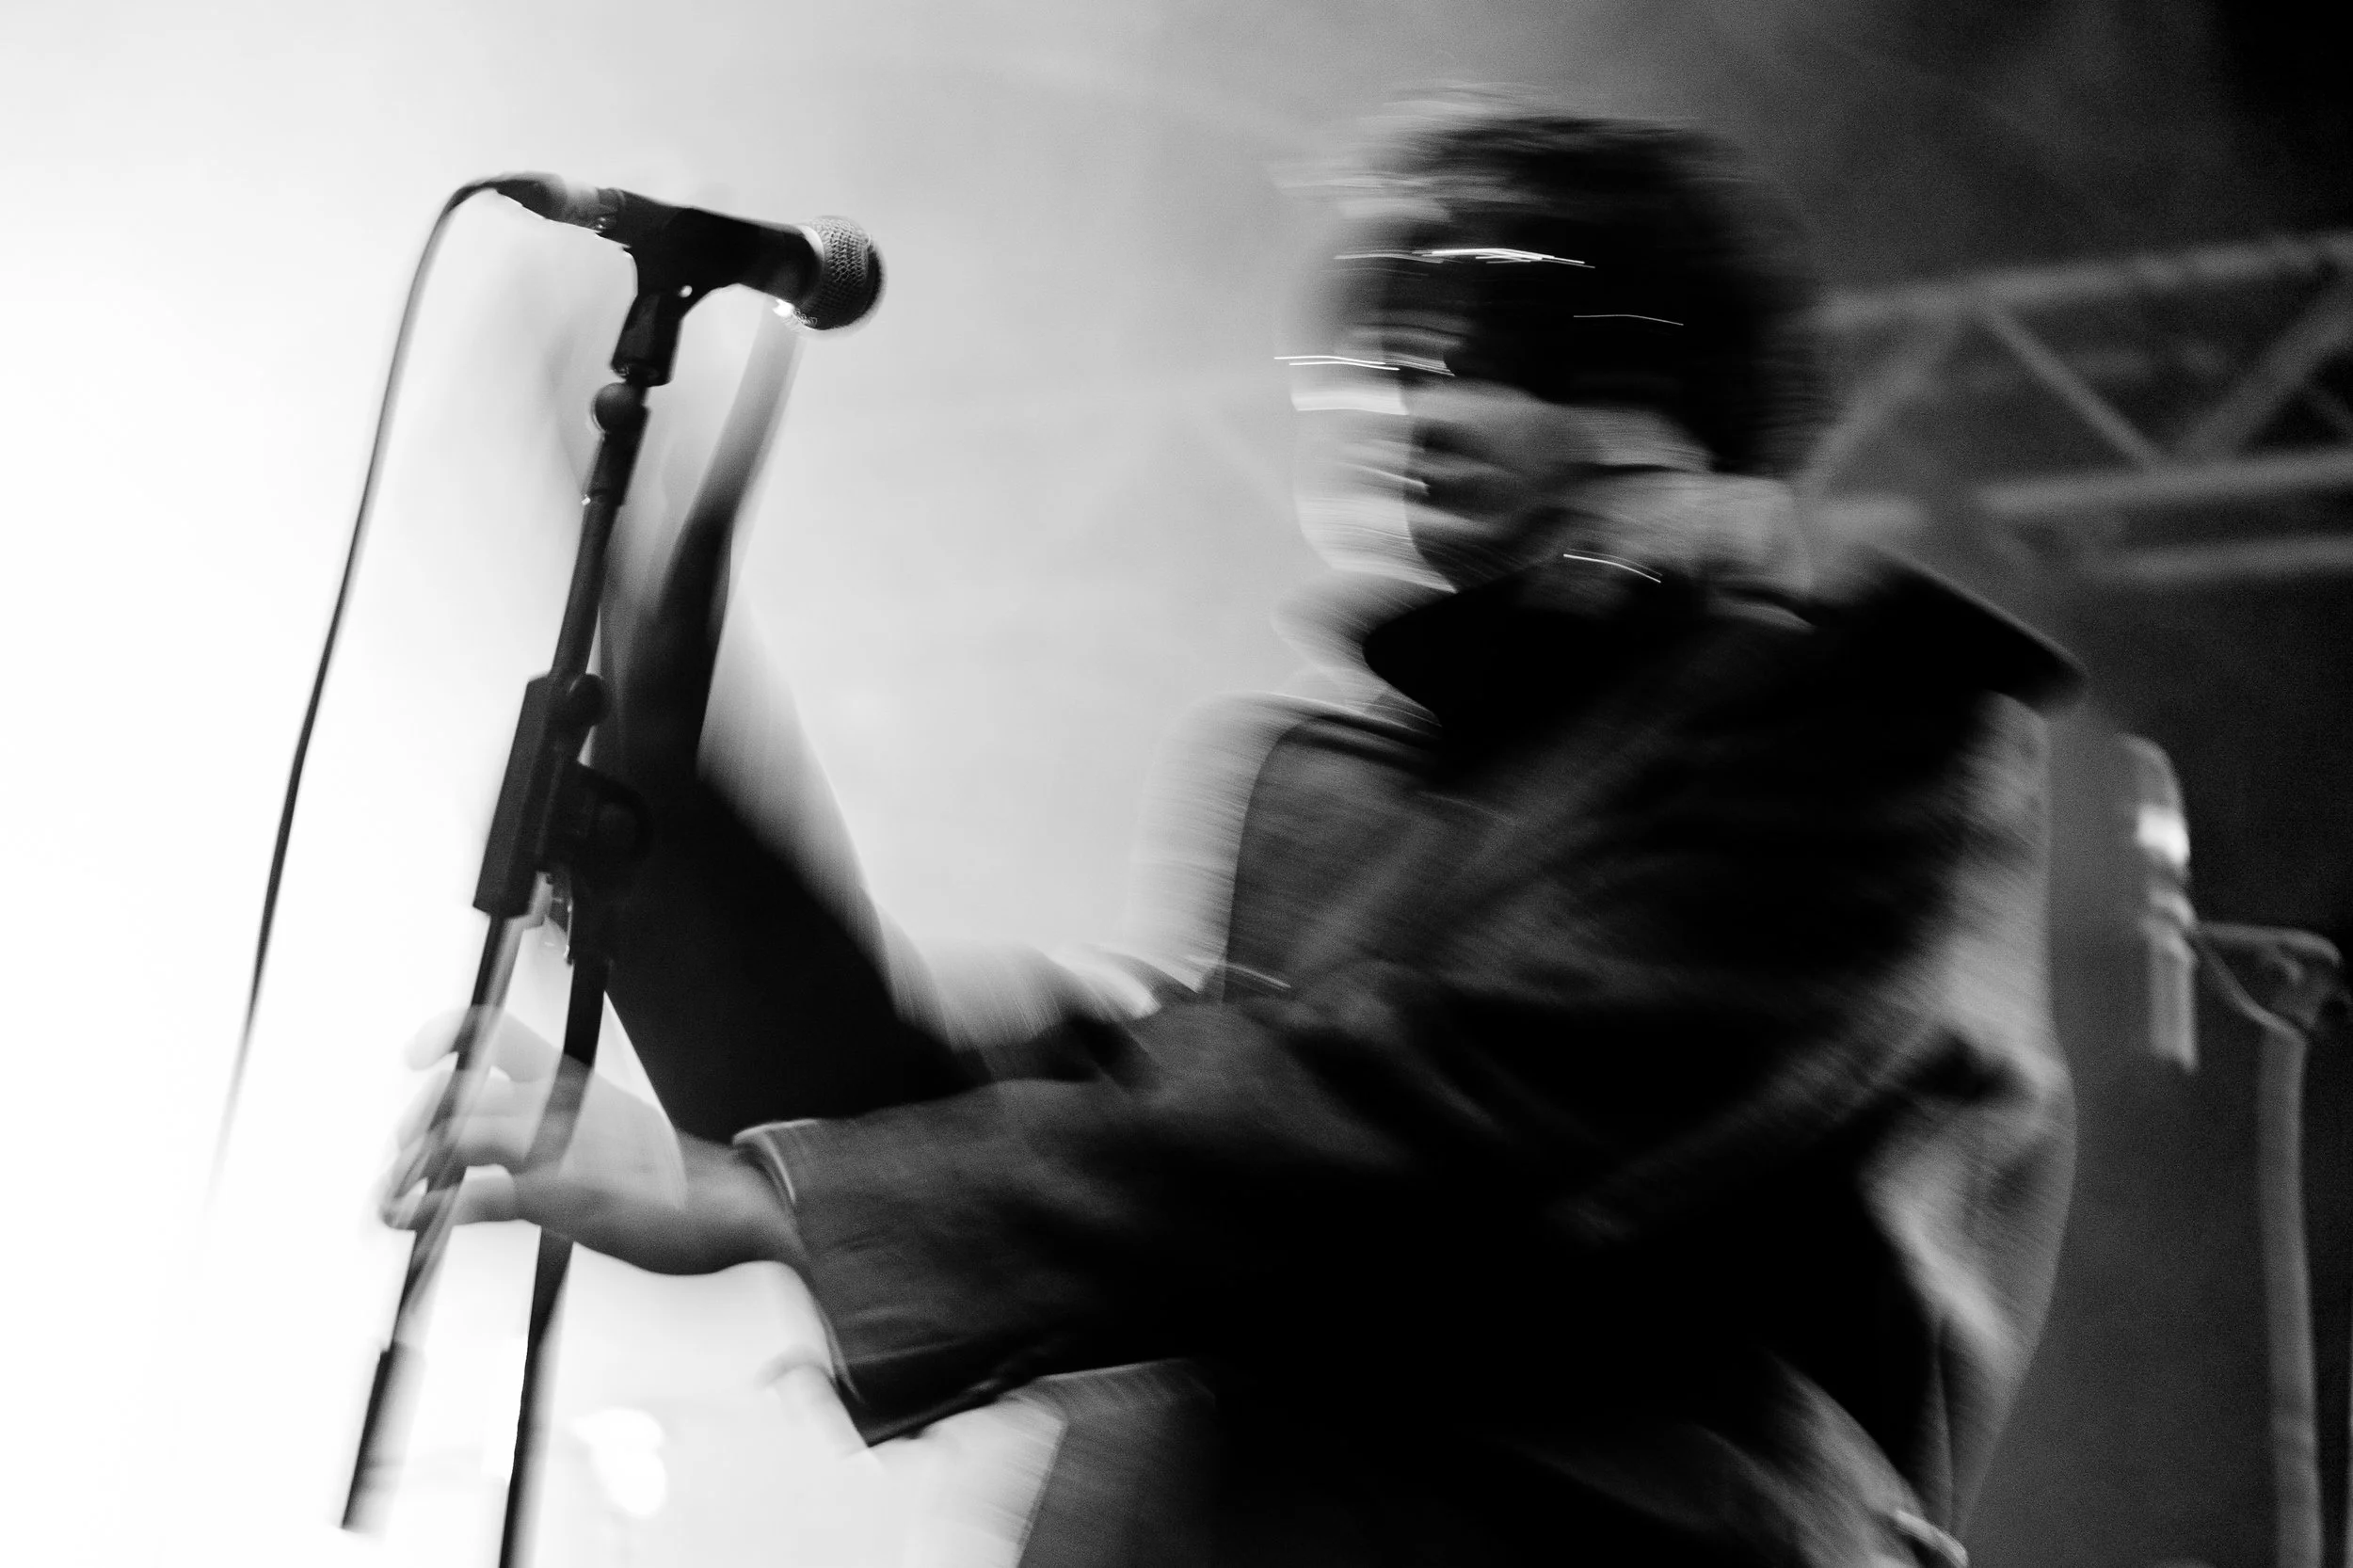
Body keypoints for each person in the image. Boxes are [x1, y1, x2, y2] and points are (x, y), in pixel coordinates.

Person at [386, 97, 2080, 1567]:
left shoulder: (1872, 723)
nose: (1414, 400)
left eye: (1480, 342)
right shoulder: (1358, 782)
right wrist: (675, 767)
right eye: (1390, 353)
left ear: (1655, 373)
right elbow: (1121, 1113)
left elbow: (1453, 1127)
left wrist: (775, 1201)